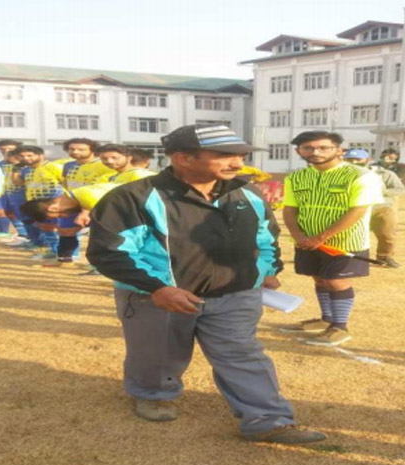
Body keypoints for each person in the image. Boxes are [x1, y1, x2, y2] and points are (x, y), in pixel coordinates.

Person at [86, 124, 325, 444]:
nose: (237, 163)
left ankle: (267, 418)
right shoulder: (134, 198)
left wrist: (267, 270)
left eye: (240, 156)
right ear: (183, 158)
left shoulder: (247, 193)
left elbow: (265, 236)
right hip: (158, 297)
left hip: (236, 295)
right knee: (158, 353)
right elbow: (110, 251)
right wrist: (157, 288)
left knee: (243, 354)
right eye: (224, 156)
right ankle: (153, 393)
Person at [279, 131, 383, 346]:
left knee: (336, 281)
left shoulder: (360, 175)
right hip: (307, 241)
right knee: (318, 278)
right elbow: (290, 209)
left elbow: (358, 210)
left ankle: (340, 327)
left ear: (339, 150)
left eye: (323, 147)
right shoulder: (296, 177)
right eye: (308, 148)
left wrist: (321, 237)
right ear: (298, 151)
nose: (315, 152)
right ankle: (326, 319)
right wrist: (298, 236)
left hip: (344, 242)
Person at [343, 148, 405, 268]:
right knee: (349, 234)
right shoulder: (339, 175)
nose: (354, 162)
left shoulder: (384, 174)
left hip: (382, 208)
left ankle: (385, 257)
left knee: (387, 233)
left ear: (367, 160)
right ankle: (348, 256)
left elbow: (400, 189)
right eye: (350, 160)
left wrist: (382, 191)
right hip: (353, 209)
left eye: (358, 159)